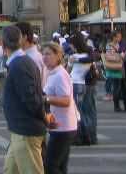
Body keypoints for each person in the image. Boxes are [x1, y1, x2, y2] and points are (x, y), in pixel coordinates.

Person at [0, 25, 46, 174]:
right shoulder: (20, 62)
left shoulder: (19, 64)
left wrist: (44, 116)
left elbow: (31, 98)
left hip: (25, 130)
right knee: (10, 170)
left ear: (3, 44)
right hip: (19, 130)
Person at [43, 42, 77, 174]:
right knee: (60, 166)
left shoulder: (60, 75)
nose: (45, 57)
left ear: (58, 56)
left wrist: (45, 99)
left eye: (48, 54)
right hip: (60, 125)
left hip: (64, 126)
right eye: (43, 54)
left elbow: (66, 101)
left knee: (51, 166)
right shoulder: (52, 73)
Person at [67, 32, 96, 147]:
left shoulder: (73, 57)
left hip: (74, 83)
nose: (71, 47)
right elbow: (91, 59)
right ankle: (87, 135)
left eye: (72, 45)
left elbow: (67, 71)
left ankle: (80, 137)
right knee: (82, 111)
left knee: (76, 112)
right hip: (83, 84)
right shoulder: (87, 56)